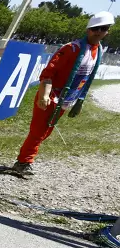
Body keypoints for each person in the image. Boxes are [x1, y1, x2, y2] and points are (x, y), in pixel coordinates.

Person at [9, 11, 114, 179]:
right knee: (38, 131)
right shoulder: (72, 48)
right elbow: (48, 73)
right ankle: (24, 162)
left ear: (107, 31)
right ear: (88, 29)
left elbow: (86, 79)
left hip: (67, 99)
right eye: (96, 28)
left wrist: (79, 101)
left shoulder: (98, 51)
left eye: (104, 28)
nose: (99, 32)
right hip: (52, 95)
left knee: (46, 132)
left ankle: (24, 159)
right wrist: (44, 95)